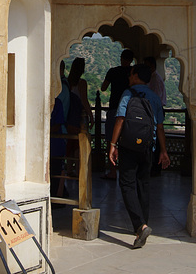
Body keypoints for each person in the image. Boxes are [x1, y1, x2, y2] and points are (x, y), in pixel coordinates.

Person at [109, 64, 170, 248]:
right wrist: (163, 151)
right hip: (147, 147)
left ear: (135, 76)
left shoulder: (128, 94)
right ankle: (143, 222)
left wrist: (112, 145)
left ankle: (140, 225)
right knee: (143, 184)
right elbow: (159, 127)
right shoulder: (154, 98)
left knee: (127, 184)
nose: (129, 77)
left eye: (131, 74)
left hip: (128, 146)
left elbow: (120, 119)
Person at [101, 48, 134, 179]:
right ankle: (127, 172)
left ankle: (113, 171)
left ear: (121, 58)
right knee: (128, 141)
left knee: (111, 140)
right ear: (131, 60)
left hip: (114, 108)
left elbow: (103, 87)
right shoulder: (133, 73)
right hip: (130, 110)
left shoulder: (113, 72)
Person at [144, 56, 166, 176]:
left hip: (155, 111)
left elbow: (156, 99)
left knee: (156, 138)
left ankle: (155, 167)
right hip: (153, 110)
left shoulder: (155, 80)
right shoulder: (152, 79)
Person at [68, 56, 94, 129]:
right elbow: (84, 101)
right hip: (77, 115)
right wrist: (91, 116)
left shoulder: (67, 82)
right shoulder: (82, 83)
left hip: (67, 115)